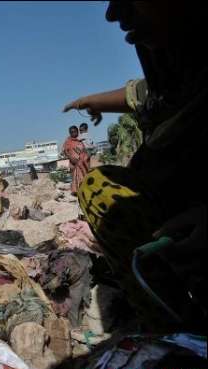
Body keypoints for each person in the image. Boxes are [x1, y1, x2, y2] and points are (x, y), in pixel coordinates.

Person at [63, 2, 206, 331]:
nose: (113, 15)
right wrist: (92, 101)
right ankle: (173, 328)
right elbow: (147, 94)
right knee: (100, 187)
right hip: (177, 223)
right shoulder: (181, 76)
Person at [62, 125, 90, 196]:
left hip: (83, 163)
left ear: (77, 132)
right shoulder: (68, 141)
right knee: (75, 177)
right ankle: (76, 191)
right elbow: (65, 151)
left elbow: (85, 151)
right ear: (69, 133)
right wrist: (71, 158)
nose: (73, 133)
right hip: (73, 163)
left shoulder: (81, 140)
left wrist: (85, 158)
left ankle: (84, 190)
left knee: (83, 176)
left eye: (75, 132)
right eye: (72, 132)